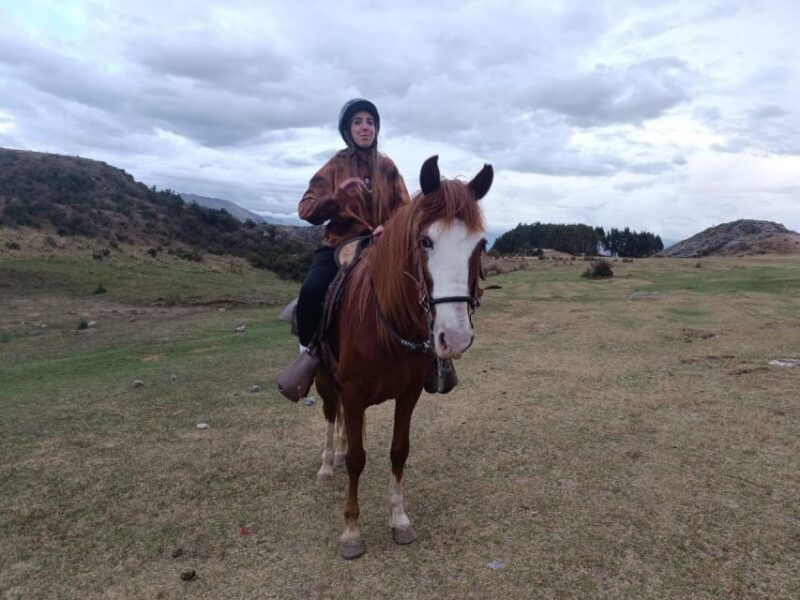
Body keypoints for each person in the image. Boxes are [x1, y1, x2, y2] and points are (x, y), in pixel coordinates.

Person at [277, 98, 411, 401]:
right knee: (311, 291)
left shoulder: (388, 167)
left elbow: (405, 209)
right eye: (358, 121)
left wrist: (389, 227)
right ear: (347, 129)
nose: (366, 127)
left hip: (382, 247)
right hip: (339, 244)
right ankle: (309, 357)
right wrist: (336, 196)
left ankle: (433, 361)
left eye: (370, 122)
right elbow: (306, 210)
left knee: (421, 286)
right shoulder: (335, 166)